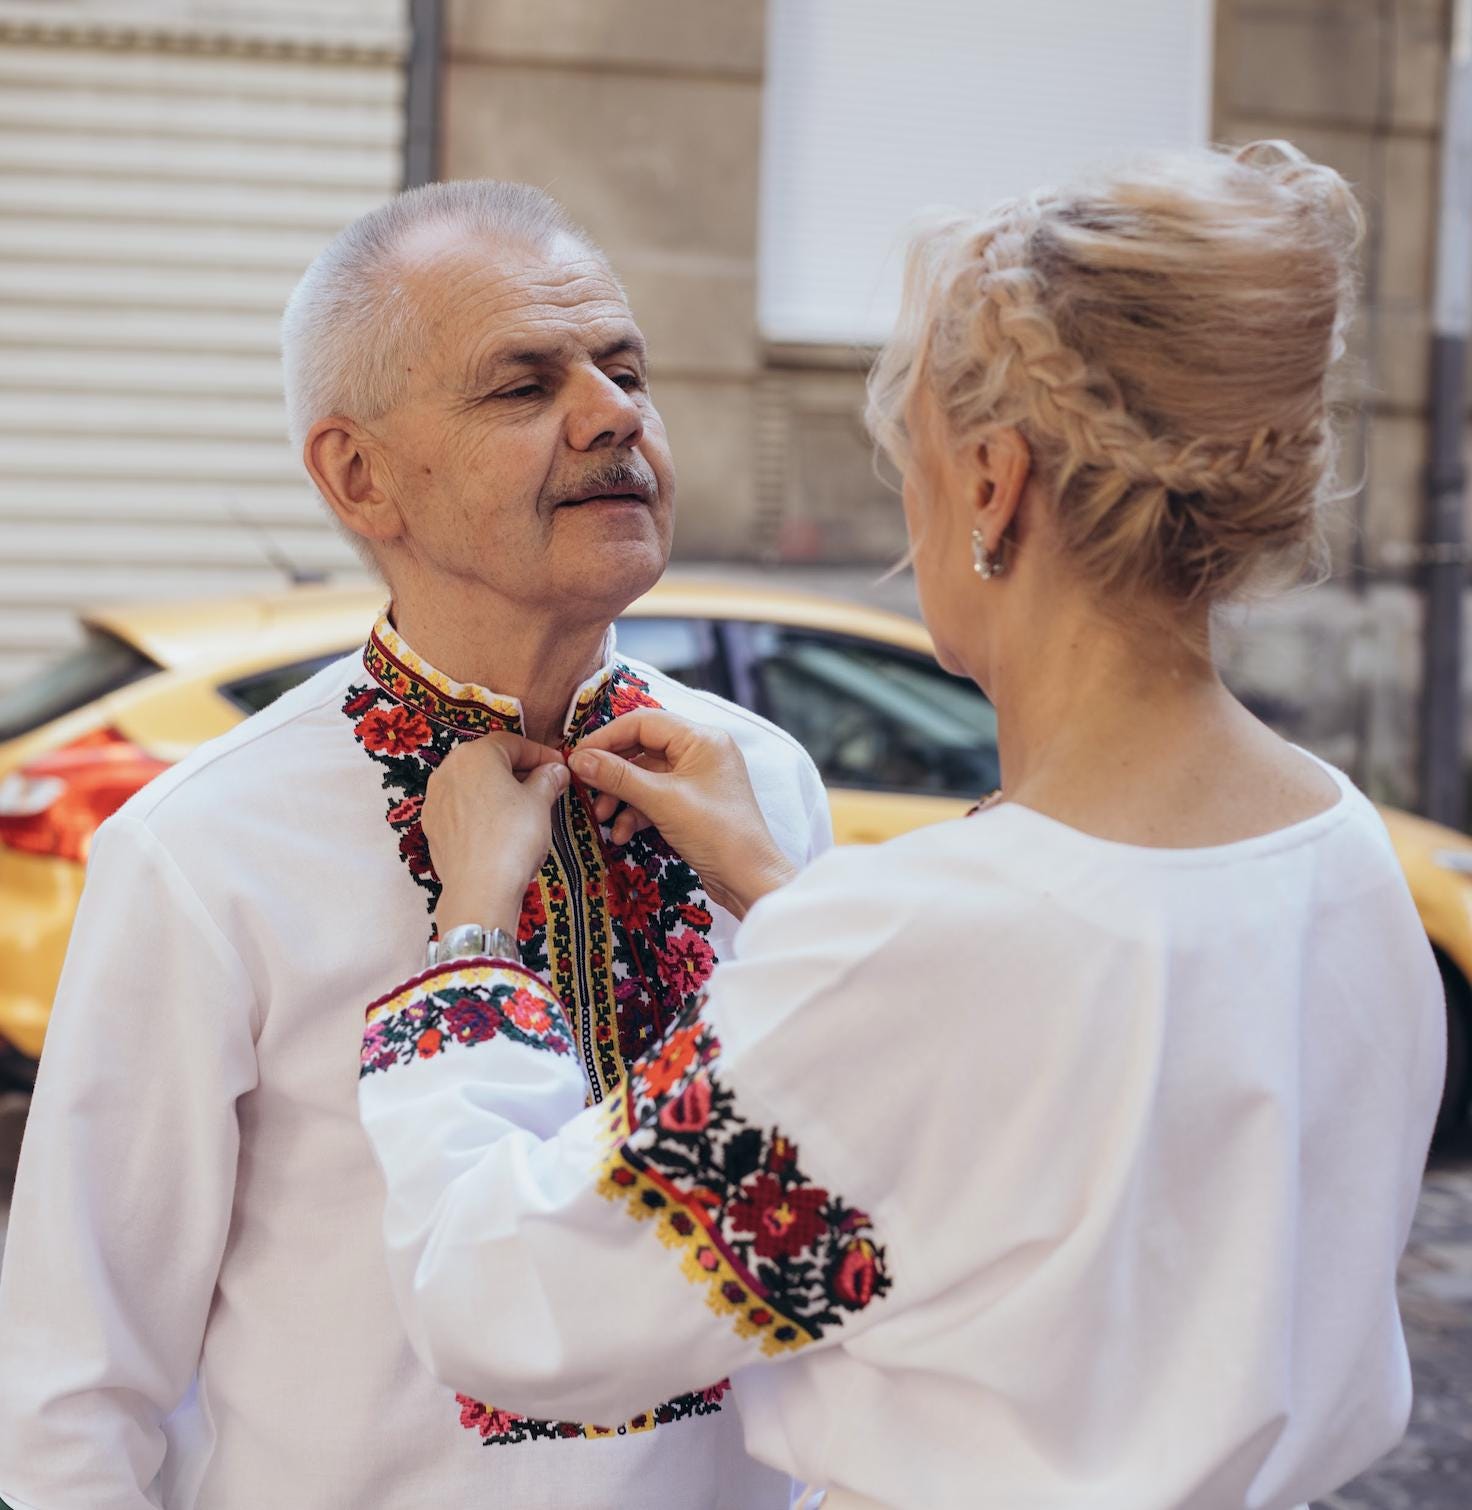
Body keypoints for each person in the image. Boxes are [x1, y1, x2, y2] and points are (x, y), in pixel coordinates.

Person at [353, 144, 1446, 1510]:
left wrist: (468, 939)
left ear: (992, 482)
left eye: (910, 461)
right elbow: (1020, 1107)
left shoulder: (925, 957)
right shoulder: (1345, 861)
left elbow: (510, 1299)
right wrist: (780, 888)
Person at [0, 182, 826, 1509]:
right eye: (523, 384)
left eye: (627, 369)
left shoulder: (760, 788)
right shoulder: (206, 846)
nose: (614, 414)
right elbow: (76, 1386)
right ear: (359, 474)